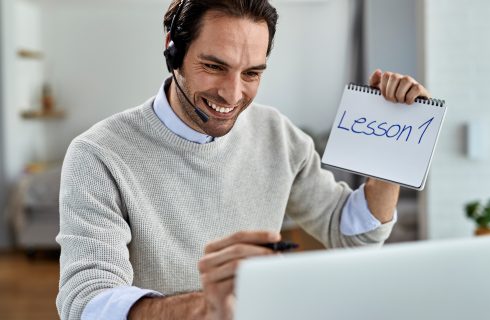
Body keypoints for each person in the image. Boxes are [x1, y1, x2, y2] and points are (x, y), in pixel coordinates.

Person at [56, 0, 430, 319]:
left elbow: (356, 234)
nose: (233, 94)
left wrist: (394, 140)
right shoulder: (99, 154)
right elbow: (86, 302)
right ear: (173, 50)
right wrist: (208, 307)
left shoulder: (276, 134)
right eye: (215, 67)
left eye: (251, 73)